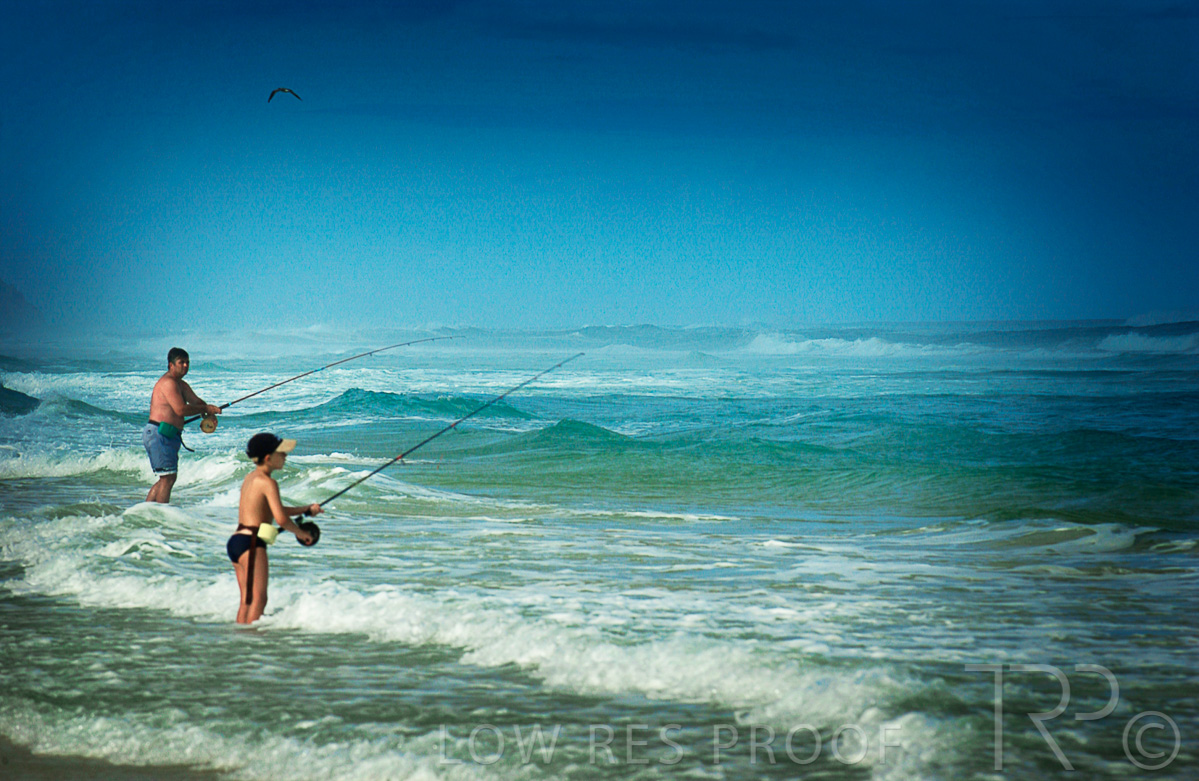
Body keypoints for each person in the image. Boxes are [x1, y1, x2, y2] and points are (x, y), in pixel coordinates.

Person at [230, 432, 320, 624]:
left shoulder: (250, 478)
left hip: (238, 541)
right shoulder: (268, 483)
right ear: (268, 458)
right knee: (259, 600)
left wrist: (305, 509)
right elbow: (281, 519)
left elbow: (271, 510)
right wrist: (302, 534)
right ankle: (250, 637)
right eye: (281, 453)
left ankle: (241, 636)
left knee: (247, 600)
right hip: (252, 544)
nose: (285, 456)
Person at [143, 347, 221, 503]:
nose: (185, 365)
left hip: (169, 434)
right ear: (171, 365)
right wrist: (206, 409)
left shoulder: (181, 384)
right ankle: (159, 512)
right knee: (168, 478)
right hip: (159, 433)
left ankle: (148, 511)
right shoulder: (168, 383)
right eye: (181, 362)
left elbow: (196, 402)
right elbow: (180, 410)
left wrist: (209, 413)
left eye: (187, 362)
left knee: (166, 478)